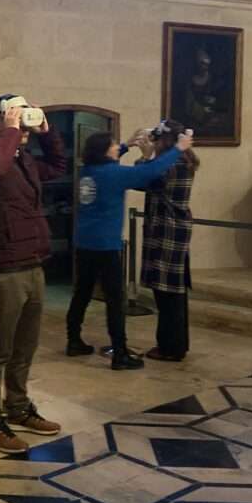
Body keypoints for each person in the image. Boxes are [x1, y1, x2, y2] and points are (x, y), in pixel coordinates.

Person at [0, 94, 66, 454]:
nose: (22, 125)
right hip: (2, 265)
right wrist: (9, 132)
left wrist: (48, 134)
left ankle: (18, 407)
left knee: (25, 346)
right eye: (15, 117)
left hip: (32, 261)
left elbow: (58, 166)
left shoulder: (21, 156)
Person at [65, 127, 193, 370]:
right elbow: (150, 171)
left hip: (84, 242)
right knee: (115, 300)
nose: (117, 147)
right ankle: (120, 353)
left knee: (81, 293)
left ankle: (73, 340)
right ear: (106, 152)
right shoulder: (114, 174)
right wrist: (179, 148)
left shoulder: (87, 171)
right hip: (106, 245)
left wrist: (127, 145)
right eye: (114, 145)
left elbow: (112, 162)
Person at [137, 119, 200, 363]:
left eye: (157, 139)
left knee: (168, 294)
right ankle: (173, 344)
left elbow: (143, 180)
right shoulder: (178, 160)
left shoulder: (175, 162)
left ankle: (171, 348)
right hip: (169, 229)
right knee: (170, 293)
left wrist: (145, 156)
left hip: (168, 230)